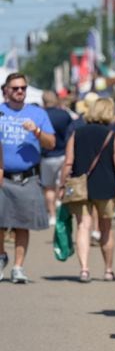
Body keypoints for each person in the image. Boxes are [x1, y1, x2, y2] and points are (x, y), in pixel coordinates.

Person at [60, 97, 115, 281]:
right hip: (106, 186)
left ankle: (84, 269)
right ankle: (108, 270)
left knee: (83, 226)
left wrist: (62, 184)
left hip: (81, 186)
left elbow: (68, 163)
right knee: (106, 228)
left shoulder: (77, 133)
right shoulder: (114, 136)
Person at [0, 72, 56, 283]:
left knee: (22, 223)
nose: (20, 91)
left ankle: (18, 267)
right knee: (0, 222)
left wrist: (37, 132)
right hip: (2, 178)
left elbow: (50, 143)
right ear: (6, 90)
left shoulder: (37, 113)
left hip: (27, 177)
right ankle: (2, 256)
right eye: (15, 88)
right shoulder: (0, 112)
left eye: (23, 87)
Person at [41, 90, 73, 226]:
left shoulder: (42, 115)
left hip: (47, 156)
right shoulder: (64, 115)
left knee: (48, 188)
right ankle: (61, 211)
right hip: (63, 155)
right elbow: (71, 133)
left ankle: (52, 215)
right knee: (61, 185)